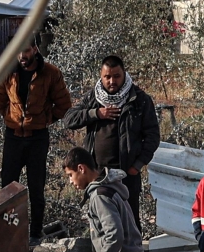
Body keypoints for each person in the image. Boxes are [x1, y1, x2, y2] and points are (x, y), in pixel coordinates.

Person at [64, 55, 160, 231]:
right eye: (107, 77)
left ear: (124, 74)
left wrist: (137, 165)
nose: (112, 81)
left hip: (126, 175)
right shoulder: (93, 97)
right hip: (98, 173)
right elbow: (69, 119)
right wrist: (96, 114)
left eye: (116, 76)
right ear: (101, 76)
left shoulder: (139, 100)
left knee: (129, 222)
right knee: (101, 222)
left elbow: (153, 136)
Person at [0, 34, 71, 248]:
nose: (22, 55)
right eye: (18, 51)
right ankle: (8, 232)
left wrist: (44, 120)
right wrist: (13, 120)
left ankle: (35, 234)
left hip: (37, 138)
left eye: (26, 50)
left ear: (35, 49)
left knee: (36, 188)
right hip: (13, 137)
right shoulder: (8, 72)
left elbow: (64, 105)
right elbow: (1, 100)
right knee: (7, 189)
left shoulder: (51, 73)